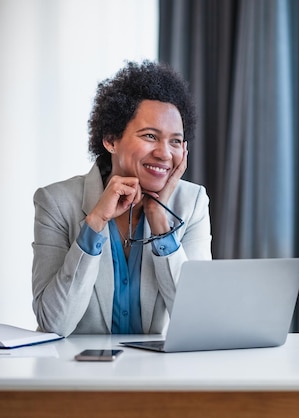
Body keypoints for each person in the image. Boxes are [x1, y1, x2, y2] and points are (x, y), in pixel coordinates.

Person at [32, 61, 212, 336]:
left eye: (175, 141)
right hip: (80, 375)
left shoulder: (192, 203)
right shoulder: (56, 202)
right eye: (150, 136)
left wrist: (159, 220)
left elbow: (199, 324)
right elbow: (54, 324)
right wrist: (94, 223)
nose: (165, 153)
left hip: (159, 375)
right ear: (111, 140)